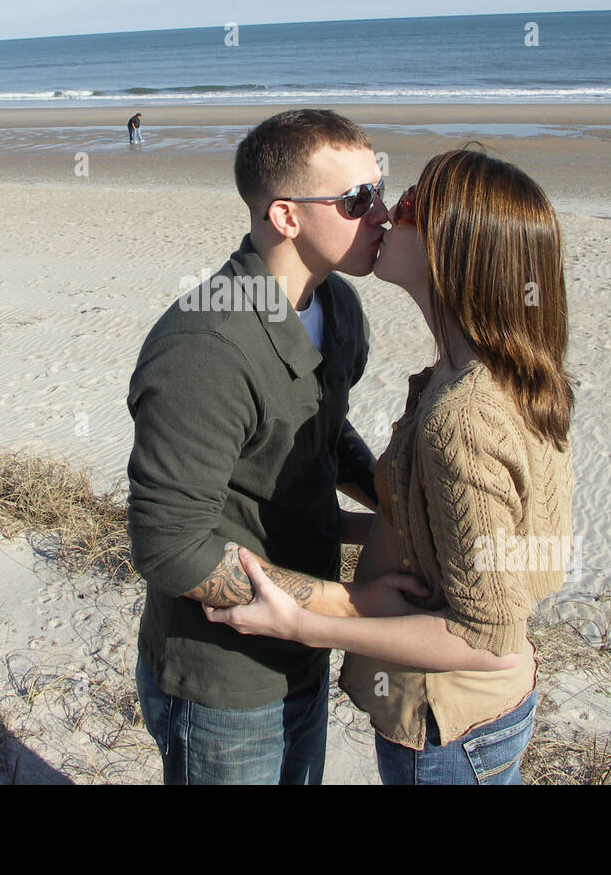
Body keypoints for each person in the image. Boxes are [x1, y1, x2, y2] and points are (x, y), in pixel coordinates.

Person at [206, 145, 576, 785]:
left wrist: (309, 624)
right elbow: (490, 538)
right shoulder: (487, 373)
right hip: (482, 718)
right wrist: (334, 527)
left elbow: (486, 641)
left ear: (449, 250)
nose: (380, 214)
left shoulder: (464, 418)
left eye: (404, 206)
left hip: (449, 724)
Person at [126, 108, 425, 785]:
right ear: (286, 217)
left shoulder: (338, 308)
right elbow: (168, 545)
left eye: (381, 188)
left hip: (303, 650)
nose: (382, 213)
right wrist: (353, 604)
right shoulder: (206, 347)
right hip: (223, 679)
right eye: (356, 200)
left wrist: (395, 507)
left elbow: (322, 429)